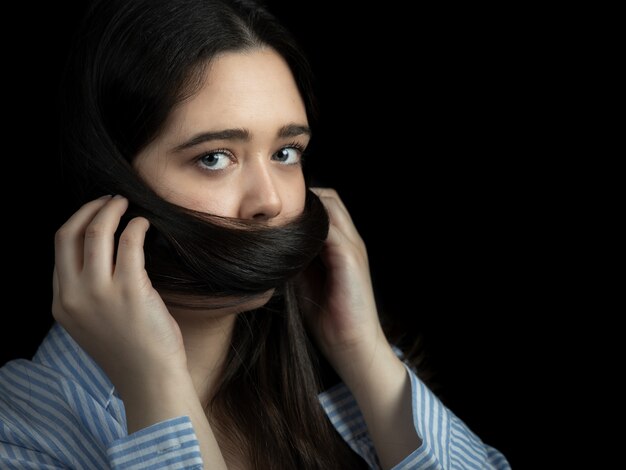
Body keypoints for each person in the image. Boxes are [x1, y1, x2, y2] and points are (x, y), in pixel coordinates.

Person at [0, 0, 511, 468]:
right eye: (214, 157)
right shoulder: (19, 431)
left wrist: (362, 347)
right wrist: (155, 384)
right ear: (109, 182)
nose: (270, 201)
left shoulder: (342, 392)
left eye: (286, 152)